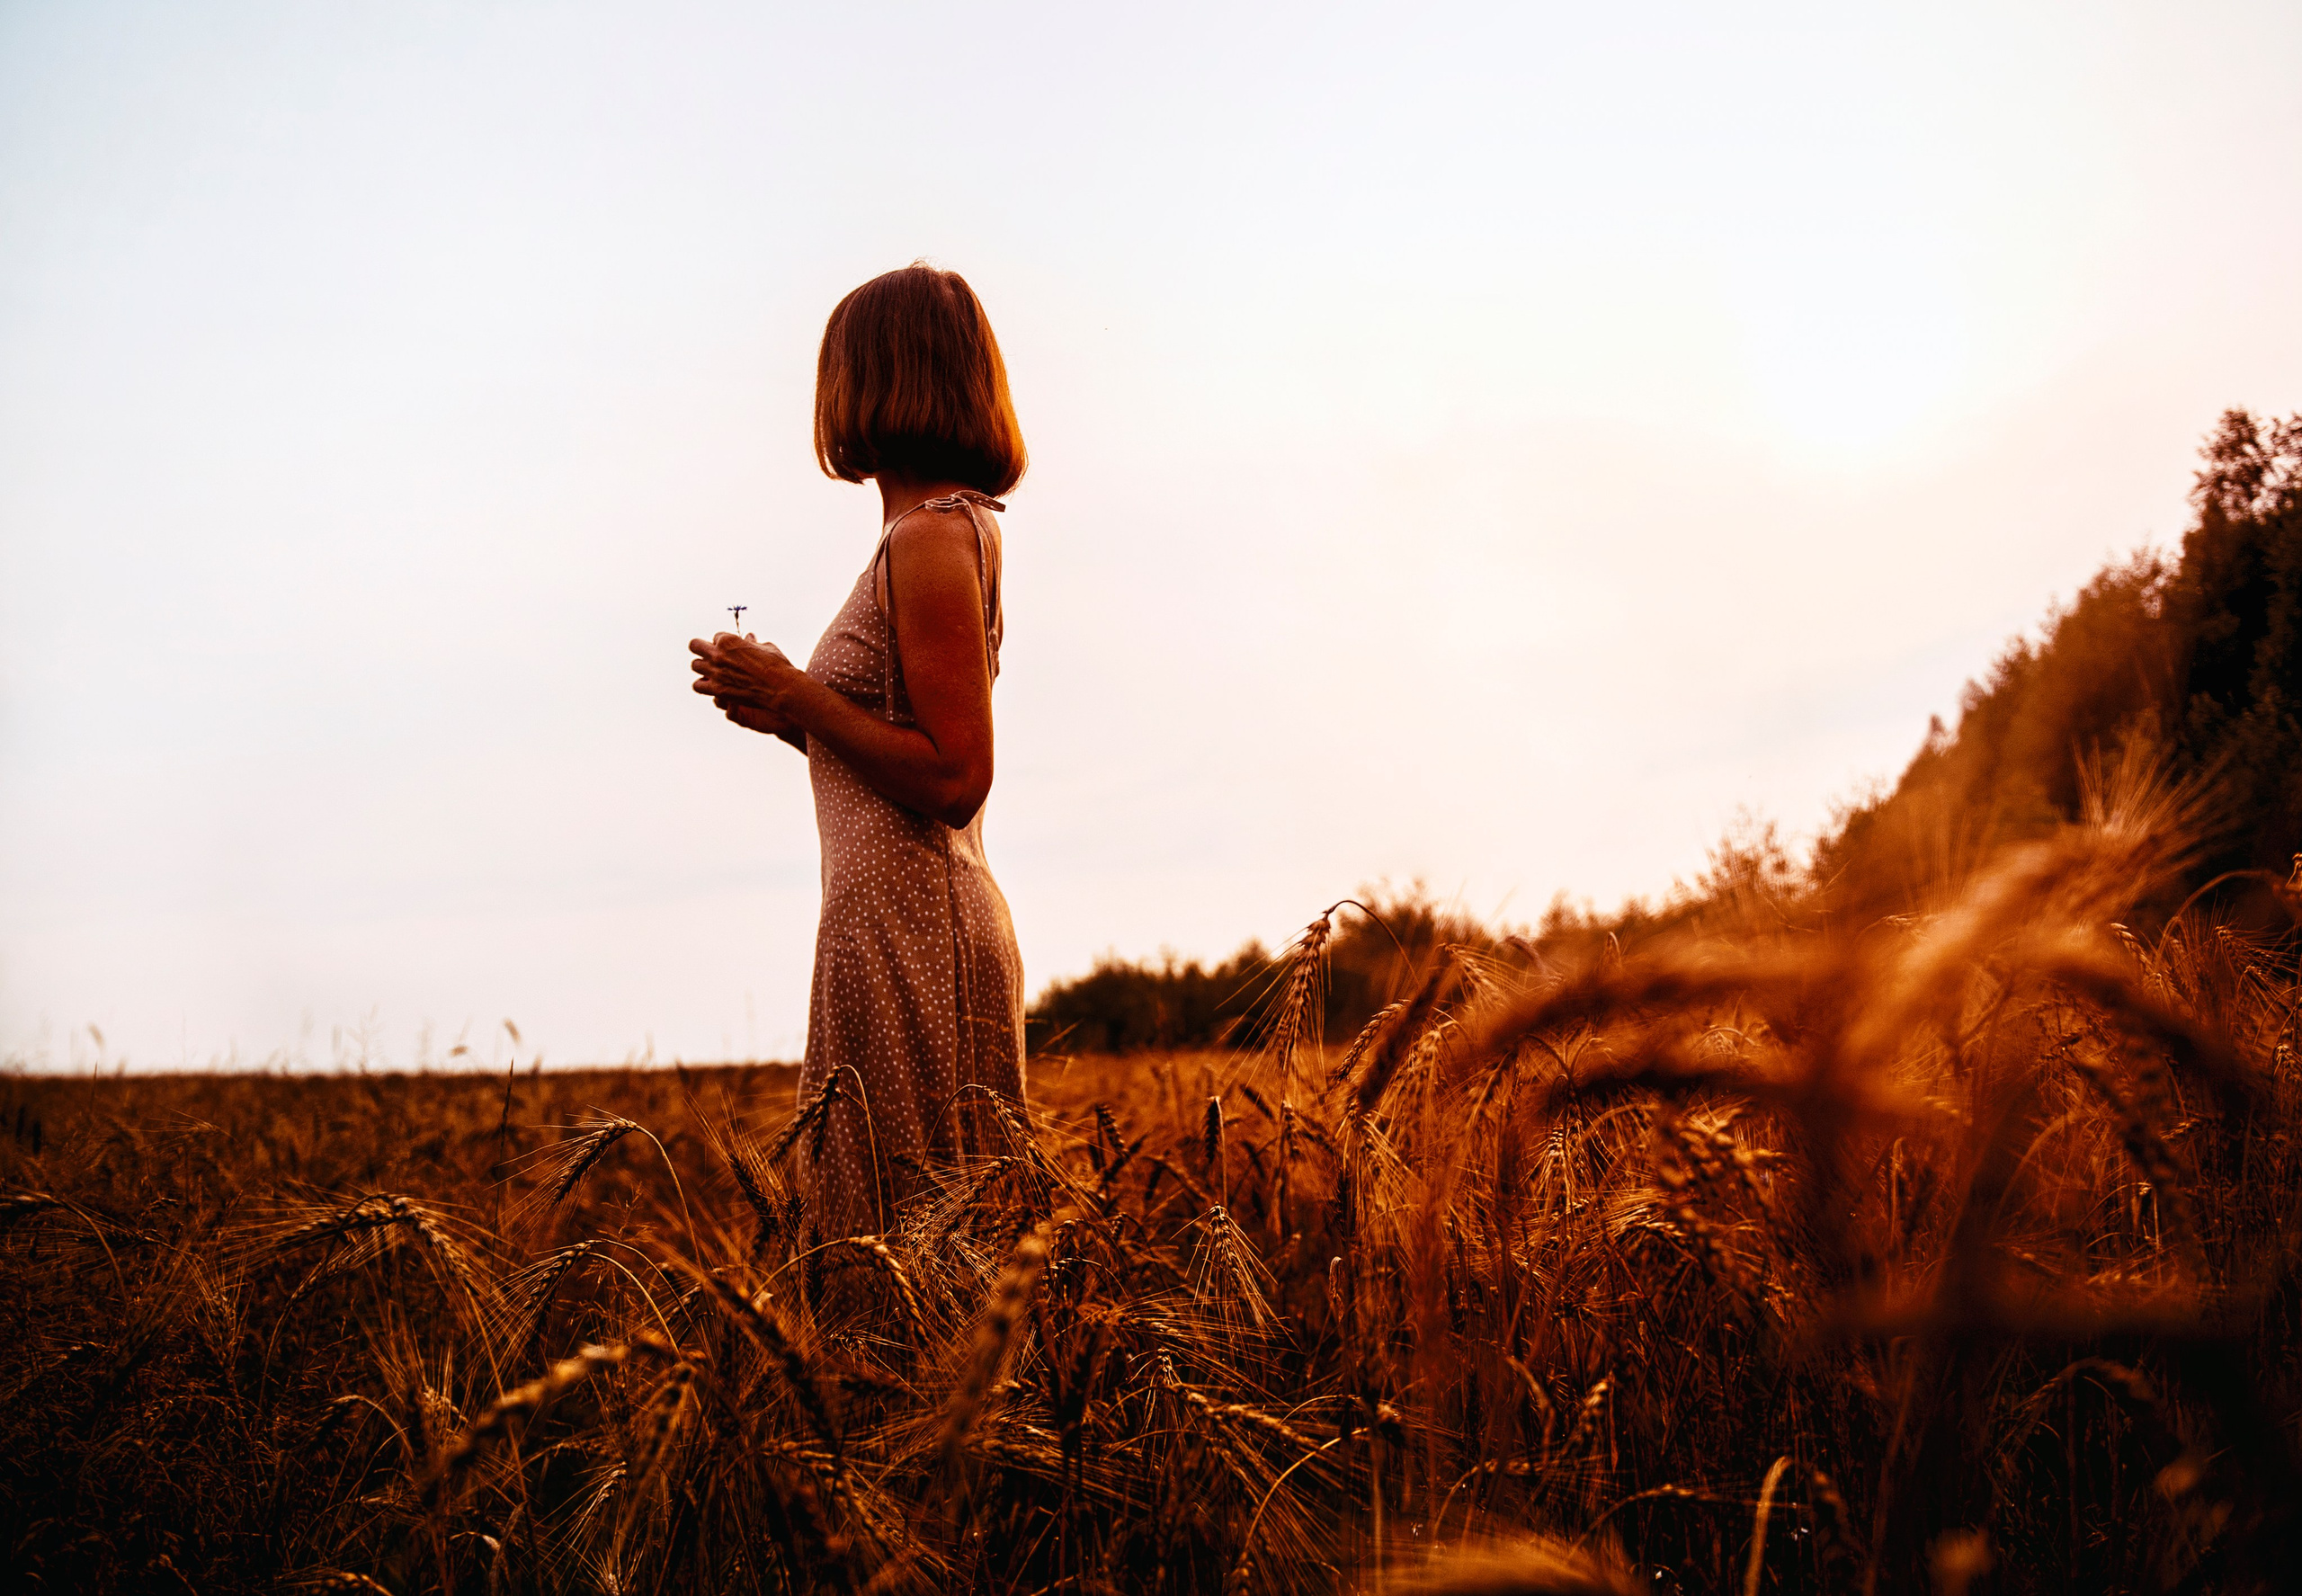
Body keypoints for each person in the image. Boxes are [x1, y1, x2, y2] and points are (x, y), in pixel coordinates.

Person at [687, 263, 1028, 1242]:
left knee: (913, 1262)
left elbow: (956, 777)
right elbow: (898, 748)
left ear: (879, 380)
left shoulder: (926, 538)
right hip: (890, 926)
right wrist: (789, 711)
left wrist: (804, 695)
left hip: (915, 930)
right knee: (894, 1257)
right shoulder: (939, 532)